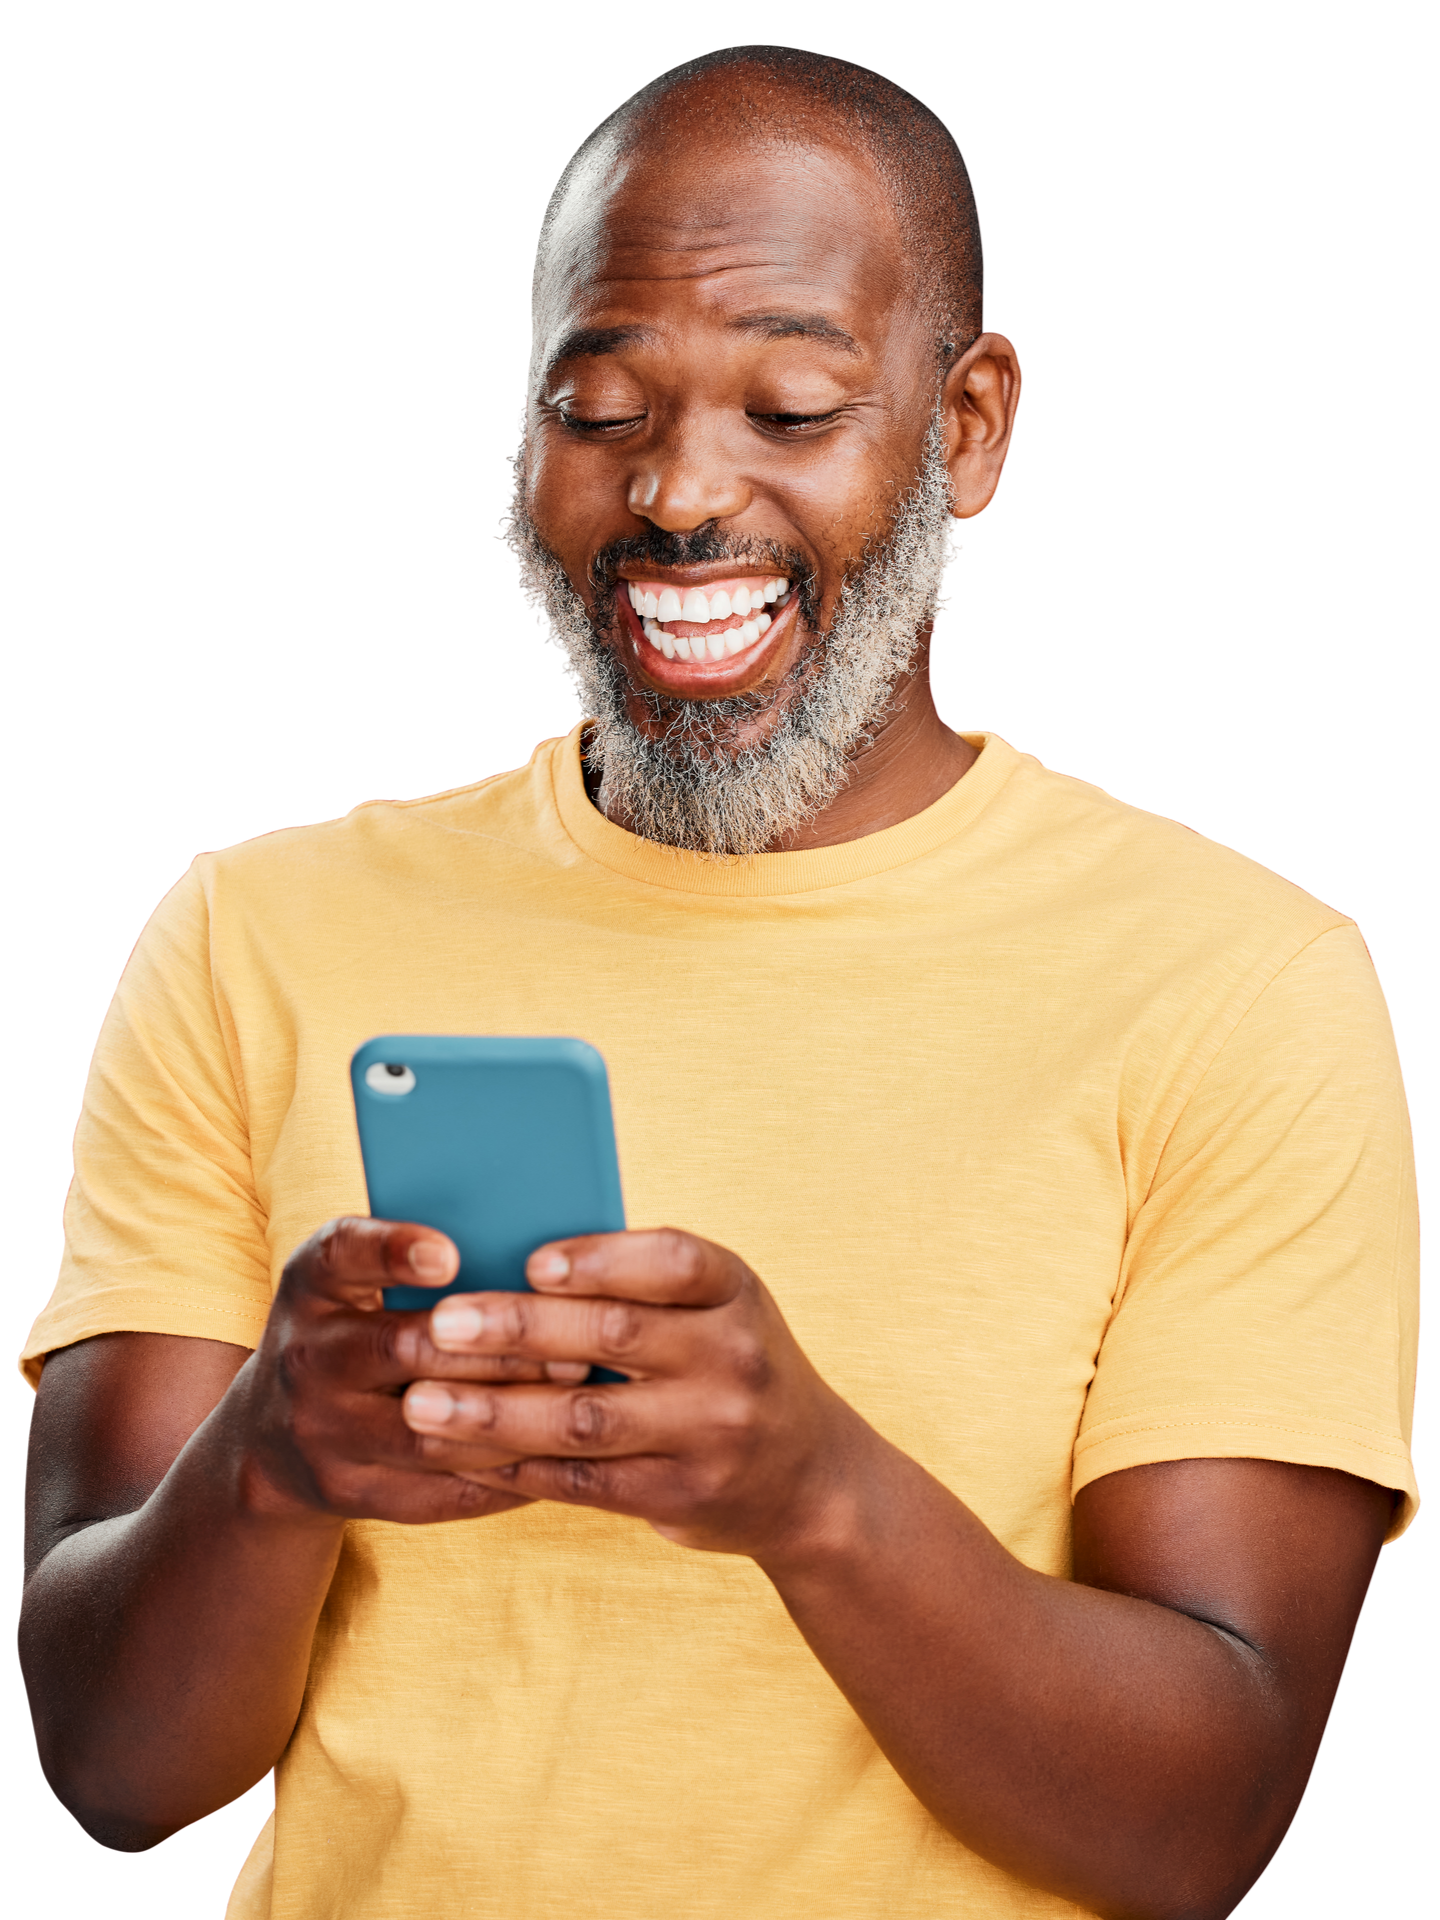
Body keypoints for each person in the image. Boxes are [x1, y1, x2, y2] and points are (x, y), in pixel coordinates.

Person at [19, 45, 1418, 1920]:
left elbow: (1200, 1828)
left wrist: (812, 1491)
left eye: (793, 402)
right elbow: (113, 1772)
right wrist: (270, 1466)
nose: (680, 492)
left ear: (968, 425)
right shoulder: (252, 937)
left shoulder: (1239, 983)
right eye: (599, 406)